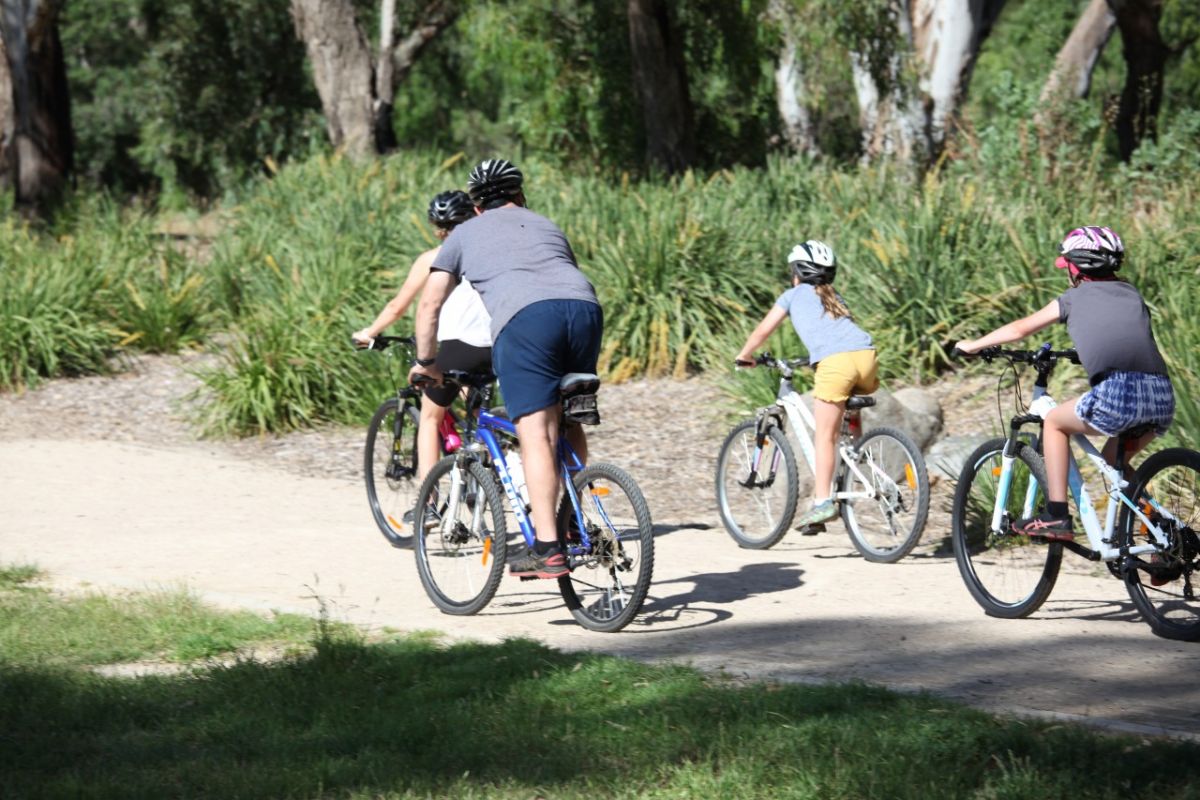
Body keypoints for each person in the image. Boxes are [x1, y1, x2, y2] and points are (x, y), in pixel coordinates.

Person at [409, 159, 603, 579]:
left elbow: (429, 305)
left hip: (526, 320)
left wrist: (426, 363)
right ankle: (573, 514)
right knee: (567, 421)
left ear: (477, 207)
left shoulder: (463, 235)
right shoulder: (545, 223)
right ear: (520, 196)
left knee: (535, 432)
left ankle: (549, 549)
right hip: (585, 311)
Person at [956, 226, 1174, 541]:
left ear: (1077, 266)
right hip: (1161, 396)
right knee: (1116, 466)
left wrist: (974, 345)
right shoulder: (1132, 294)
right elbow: (1123, 337)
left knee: (1055, 422)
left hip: (1118, 393)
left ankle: (1057, 515)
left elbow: (1020, 329)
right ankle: (1161, 532)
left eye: (1067, 266)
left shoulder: (1072, 298)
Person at [352, 190, 493, 492]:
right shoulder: (488, 252)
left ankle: (428, 504)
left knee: (429, 417)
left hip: (451, 344)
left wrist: (370, 333)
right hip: (493, 339)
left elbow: (398, 306)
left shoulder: (433, 258)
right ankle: (490, 452)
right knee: (476, 403)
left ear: (438, 228)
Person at [734, 239, 879, 529]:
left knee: (824, 437)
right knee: (845, 407)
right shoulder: (833, 296)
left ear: (797, 271)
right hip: (867, 357)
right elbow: (840, 333)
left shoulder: (792, 294)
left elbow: (764, 329)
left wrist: (745, 355)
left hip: (836, 363)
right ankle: (855, 452)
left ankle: (822, 502)